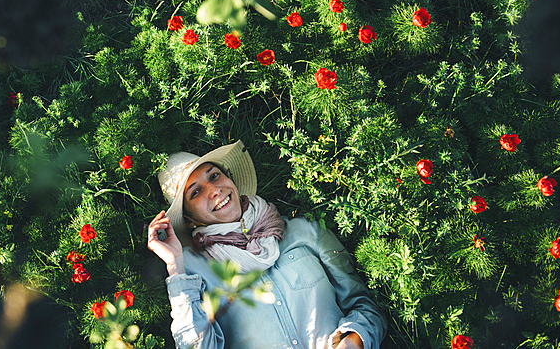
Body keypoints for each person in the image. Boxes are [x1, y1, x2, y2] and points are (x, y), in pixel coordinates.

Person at [147, 141, 386, 349]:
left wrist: (354, 340)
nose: (214, 190)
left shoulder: (304, 232)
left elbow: (365, 306)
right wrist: (175, 266)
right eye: (196, 192)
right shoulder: (194, 271)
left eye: (214, 176)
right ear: (189, 220)